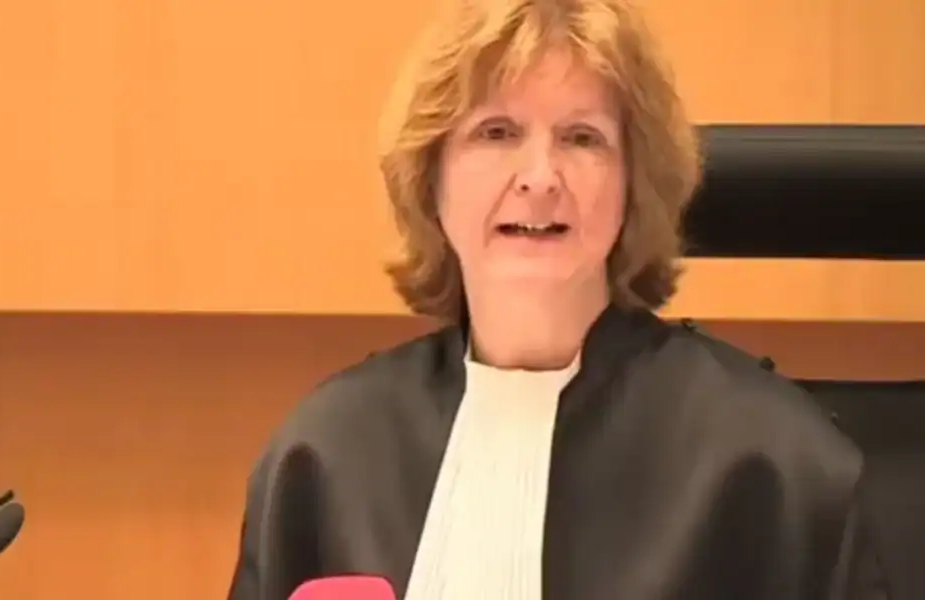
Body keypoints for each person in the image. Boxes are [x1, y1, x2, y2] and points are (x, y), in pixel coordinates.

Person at [227, 0, 885, 598]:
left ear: (632, 186)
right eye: (496, 133)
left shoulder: (771, 466)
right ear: (431, 177)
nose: (540, 178)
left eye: (581, 138)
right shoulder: (327, 455)